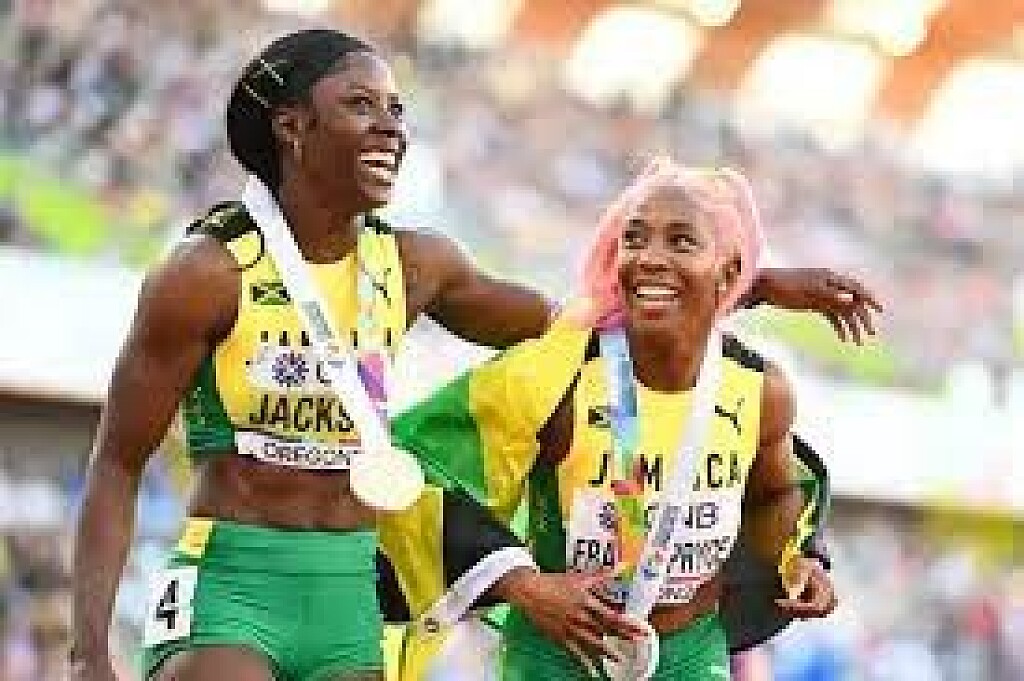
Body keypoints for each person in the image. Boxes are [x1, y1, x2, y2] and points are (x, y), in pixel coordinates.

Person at [71, 29, 875, 681]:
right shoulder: (205, 274)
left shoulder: (418, 265)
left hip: (349, 590)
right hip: (234, 578)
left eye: (396, 109)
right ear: (292, 127)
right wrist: (86, 652)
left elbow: (586, 318)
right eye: (361, 105)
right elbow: (115, 461)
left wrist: (743, 285)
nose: (391, 127)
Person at [398, 159, 831, 679]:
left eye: (680, 241)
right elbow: (416, 467)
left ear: (730, 272)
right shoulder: (557, 373)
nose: (650, 258)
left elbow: (776, 494)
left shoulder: (761, 390)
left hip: (689, 654)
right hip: (558, 653)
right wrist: (524, 585)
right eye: (634, 239)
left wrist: (798, 559)